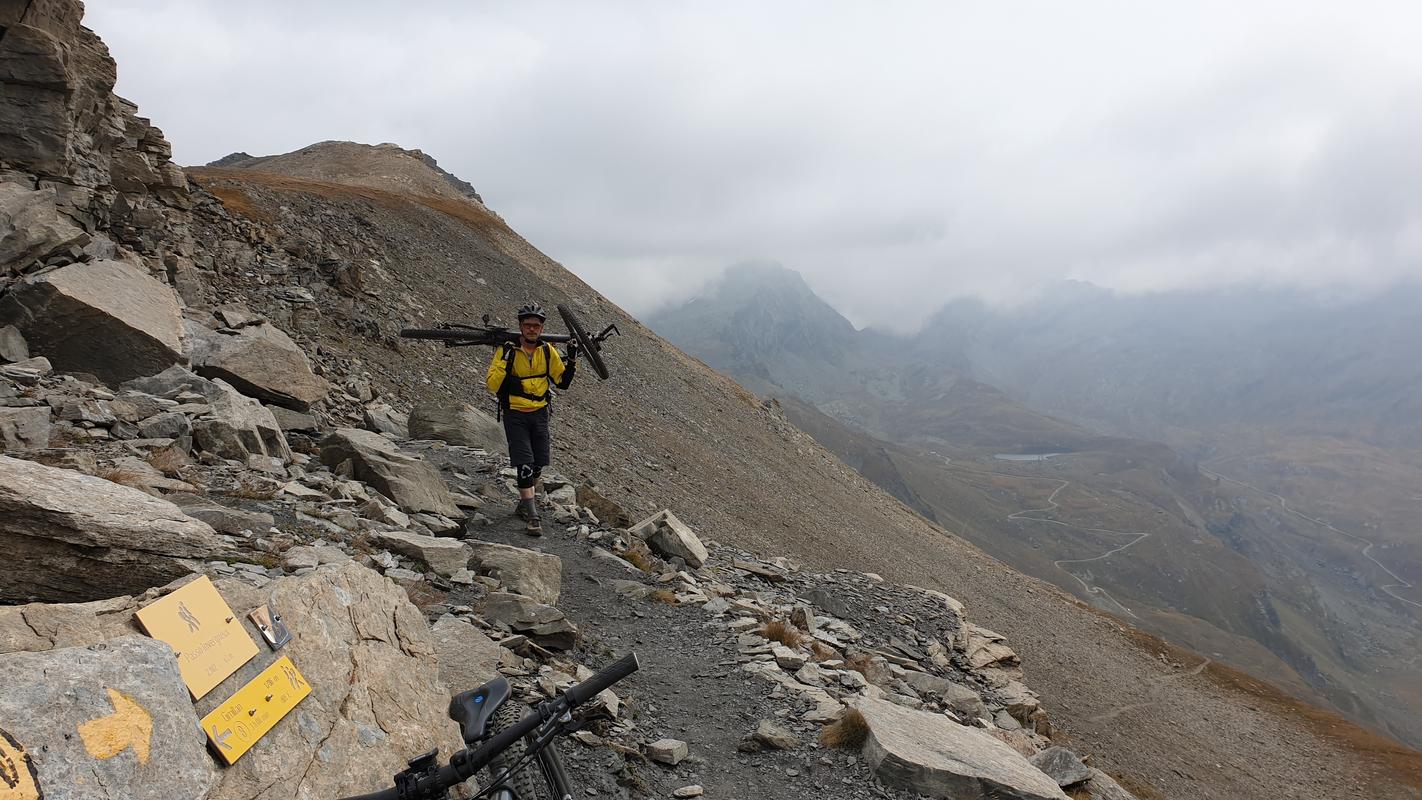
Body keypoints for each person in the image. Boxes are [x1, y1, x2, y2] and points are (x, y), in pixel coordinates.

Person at [485, 302, 576, 533]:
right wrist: (505, 360)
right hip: (515, 413)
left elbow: (562, 383)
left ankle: (524, 504)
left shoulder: (548, 351)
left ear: (542, 328)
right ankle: (533, 516)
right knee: (524, 463)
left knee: (538, 464)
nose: (532, 329)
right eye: (528, 325)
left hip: (540, 413)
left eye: (536, 326)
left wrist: (572, 360)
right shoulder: (507, 351)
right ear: (521, 327)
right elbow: (492, 384)